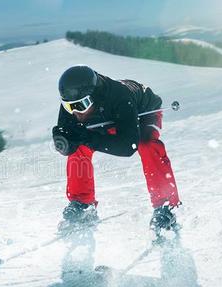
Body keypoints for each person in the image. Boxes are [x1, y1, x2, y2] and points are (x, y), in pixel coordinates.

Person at [52, 65, 181, 234]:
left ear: (95, 96)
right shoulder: (73, 102)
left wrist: (88, 137)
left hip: (142, 113)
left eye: (82, 105)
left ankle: (166, 206)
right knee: (79, 146)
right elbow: (69, 144)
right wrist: (64, 142)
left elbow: (128, 146)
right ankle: (83, 204)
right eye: (70, 107)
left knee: (147, 144)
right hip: (106, 118)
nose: (76, 112)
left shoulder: (120, 96)